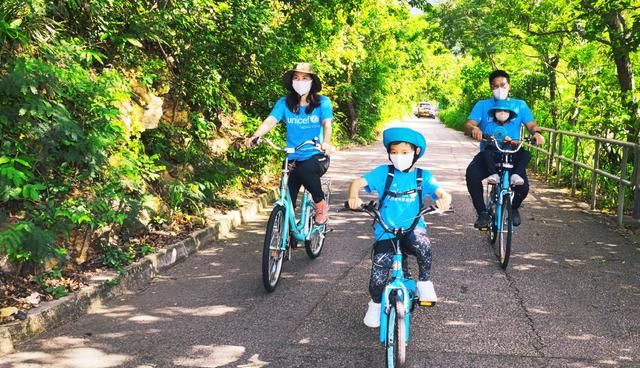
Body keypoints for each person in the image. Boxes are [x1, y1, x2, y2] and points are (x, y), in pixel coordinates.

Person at [347, 127, 452, 328]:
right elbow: (357, 183)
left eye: (404, 152)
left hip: (413, 229)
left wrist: (444, 200)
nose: (398, 157)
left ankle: (424, 282)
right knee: (378, 274)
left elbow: (443, 193)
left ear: (416, 153)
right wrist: (353, 196)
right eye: (394, 152)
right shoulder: (383, 173)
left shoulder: (423, 176)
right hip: (386, 231)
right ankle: (376, 304)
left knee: (423, 246)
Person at [245, 63, 333, 224]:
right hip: (292, 157)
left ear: (312, 81)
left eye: (305, 78)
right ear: (292, 82)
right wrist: (255, 136)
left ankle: (320, 205)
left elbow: (327, 124)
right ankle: (283, 242)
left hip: (316, 155)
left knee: (305, 171)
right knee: (286, 199)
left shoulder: (322, 102)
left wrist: (326, 142)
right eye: (296, 78)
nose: (300, 81)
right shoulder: (284, 103)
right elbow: (270, 121)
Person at [464, 70, 545, 229]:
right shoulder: (482, 105)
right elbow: (468, 124)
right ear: (490, 88)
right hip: (489, 153)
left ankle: (513, 208)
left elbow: (531, 124)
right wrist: (474, 128)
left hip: (512, 153)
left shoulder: (519, 105)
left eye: (502, 85)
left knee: (524, 188)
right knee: (472, 174)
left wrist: (536, 133)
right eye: (495, 86)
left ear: (509, 85)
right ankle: (483, 214)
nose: (499, 88)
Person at [482, 99, 531, 186]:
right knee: (486, 153)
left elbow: (516, 142)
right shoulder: (490, 126)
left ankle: (516, 175)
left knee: (526, 154)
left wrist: (512, 141)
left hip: (510, 153)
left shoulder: (513, 126)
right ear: (495, 113)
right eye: (499, 110)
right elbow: (485, 140)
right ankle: (494, 174)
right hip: (495, 153)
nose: (502, 113)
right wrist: (491, 139)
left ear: (509, 113)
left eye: (505, 111)